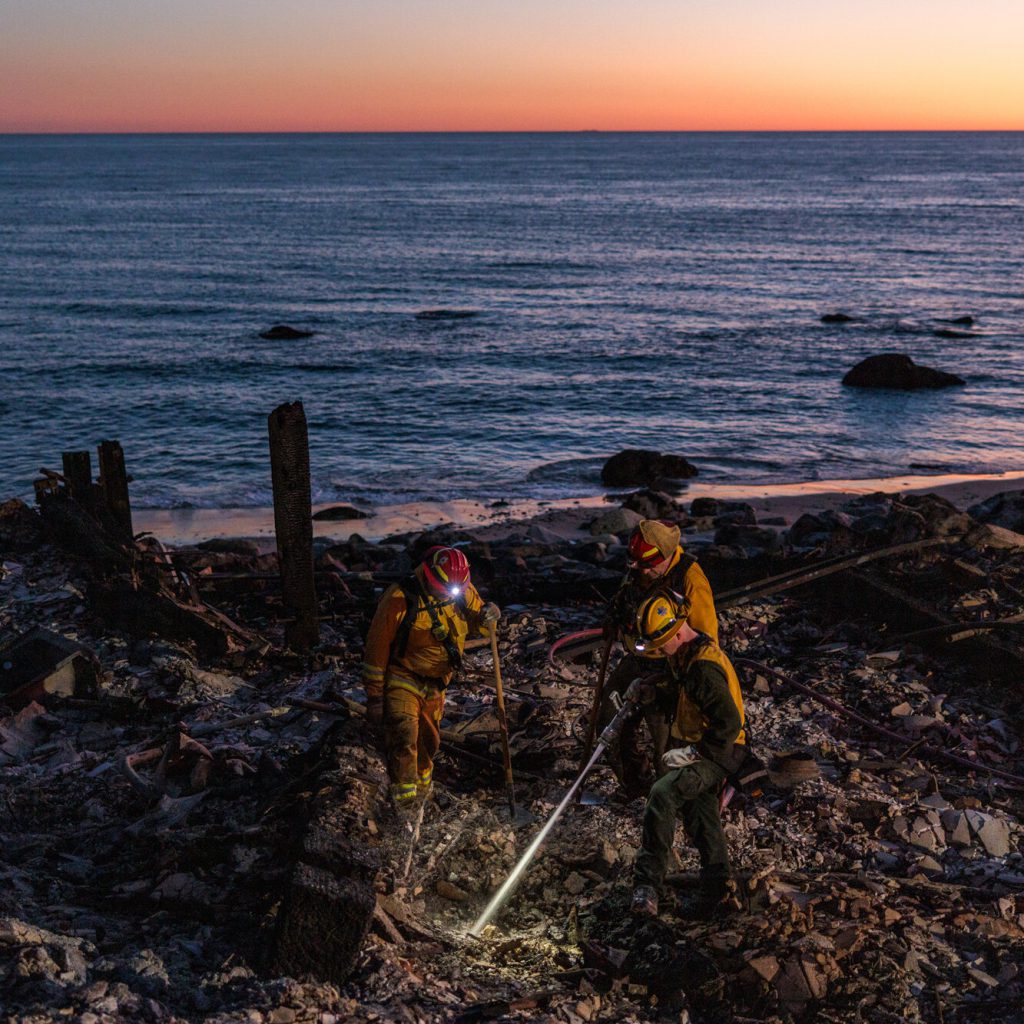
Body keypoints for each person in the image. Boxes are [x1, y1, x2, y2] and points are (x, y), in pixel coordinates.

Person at [628, 592, 747, 920]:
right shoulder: (689, 653)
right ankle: (719, 893)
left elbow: (729, 722)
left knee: (663, 793)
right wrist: (655, 690)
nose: (659, 651)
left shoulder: (704, 669)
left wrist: (695, 753)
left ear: (678, 632)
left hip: (721, 750)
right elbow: (684, 691)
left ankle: (646, 885)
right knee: (702, 813)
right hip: (708, 746)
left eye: (661, 644)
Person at [361, 546, 500, 814]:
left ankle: (424, 792)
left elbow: (480, 624)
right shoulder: (399, 599)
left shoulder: (462, 592)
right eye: (445, 589)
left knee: (429, 742)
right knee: (404, 734)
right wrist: (375, 698)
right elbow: (375, 652)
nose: (450, 594)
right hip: (404, 676)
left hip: (437, 682)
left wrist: (490, 614)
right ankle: (405, 802)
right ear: (430, 576)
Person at [599, 519, 719, 797]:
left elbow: (705, 641)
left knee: (666, 746)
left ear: (665, 558)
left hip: (673, 667)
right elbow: (623, 598)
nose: (637, 569)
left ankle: (671, 801)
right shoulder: (639, 568)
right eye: (634, 563)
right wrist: (613, 617)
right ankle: (635, 786)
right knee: (609, 719)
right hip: (638, 659)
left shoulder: (690, 579)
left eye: (644, 565)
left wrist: (675, 682)